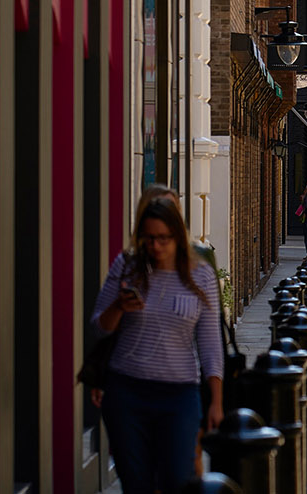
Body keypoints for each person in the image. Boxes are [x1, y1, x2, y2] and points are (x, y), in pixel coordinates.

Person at [91, 199, 223, 493]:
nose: (156, 246)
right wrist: (119, 306)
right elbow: (99, 327)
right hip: (127, 392)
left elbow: (210, 343)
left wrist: (216, 401)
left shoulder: (200, 275)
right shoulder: (126, 266)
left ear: (177, 235)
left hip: (179, 395)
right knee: (136, 483)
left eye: (164, 238)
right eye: (149, 238)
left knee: (178, 480)